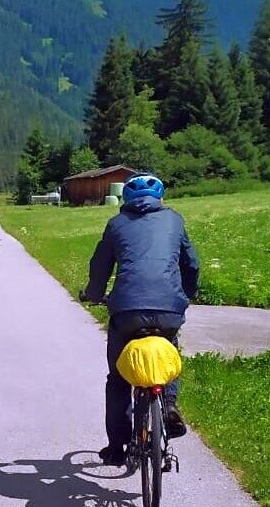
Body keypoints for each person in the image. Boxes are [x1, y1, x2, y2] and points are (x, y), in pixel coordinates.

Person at [79, 173, 200, 467]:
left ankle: (116, 448)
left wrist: (94, 294)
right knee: (168, 353)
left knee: (118, 379)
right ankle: (168, 404)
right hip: (169, 308)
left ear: (125, 199)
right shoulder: (174, 220)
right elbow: (192, 264)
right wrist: (185, 294)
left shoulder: (117, 224)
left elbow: (100, 265)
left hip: (127, 310)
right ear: (160, 198)